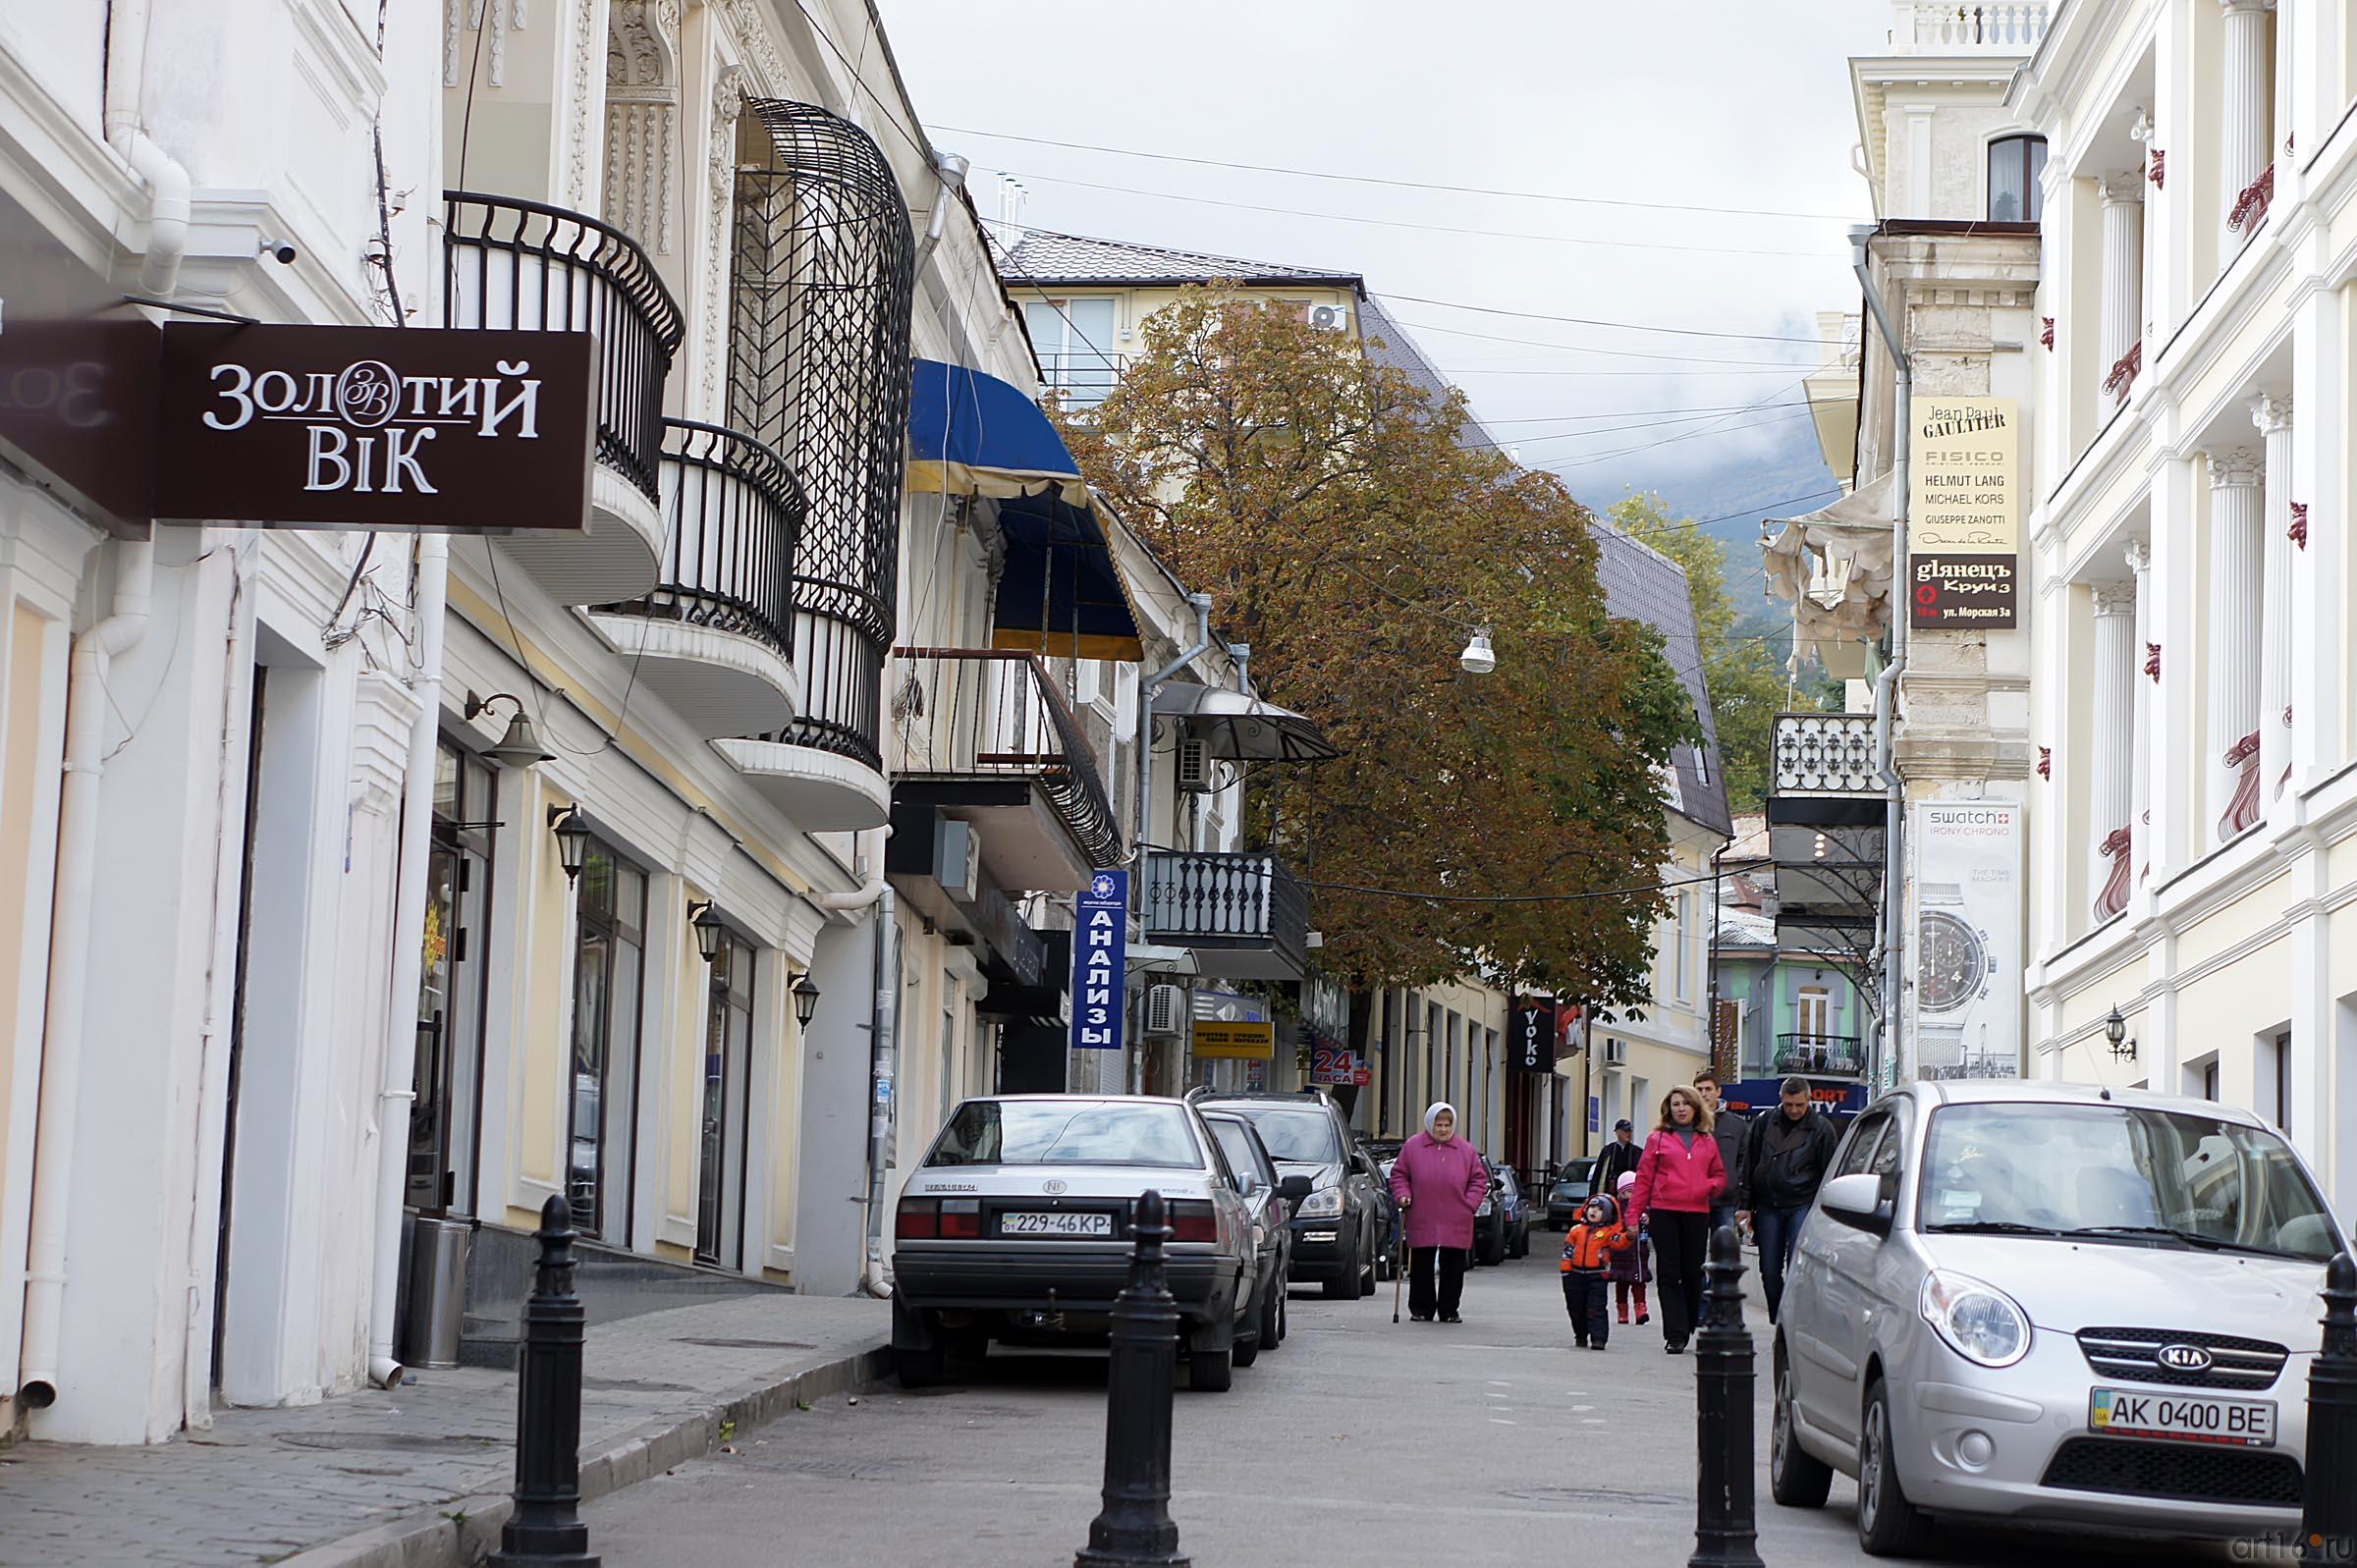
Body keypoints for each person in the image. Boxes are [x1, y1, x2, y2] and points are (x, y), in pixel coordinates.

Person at [1625, 1085, 1727, 1355]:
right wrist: (1632, 1215)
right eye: (1675, 1104)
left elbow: (1719, 1174)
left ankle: (1690, 1320)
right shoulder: (1657, 1139)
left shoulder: (1707, 1140)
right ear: (1668, 1109)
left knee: (1692, 1272)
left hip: (1697, 1212)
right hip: (1664, 1211)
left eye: (1685, 1104)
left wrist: (1710, 1187)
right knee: (1669, 1273)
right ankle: (1675, 1333)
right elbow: (1643, 1179)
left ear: (1695, 1108)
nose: (1680, 1108)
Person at [1737, 1078, 1841, 1324]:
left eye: (1799, 1105)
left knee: (1798, 1264)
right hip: (1767, 1204)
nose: (1793, 1110)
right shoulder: (1764, 1123)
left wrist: (1827, 1211)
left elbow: (1829, 1172)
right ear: (1781, 1100)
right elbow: (1750, 1164)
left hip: (1802, 1203)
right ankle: (1779, 1317)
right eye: (1788, 1104)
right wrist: (1744, 1206)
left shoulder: (1821, 1129)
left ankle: (1794, 1320)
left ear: (1809, 1101)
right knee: (1769, 1271)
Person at [1388, 1101, 1488, 1324]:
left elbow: (1478, 1180)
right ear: (1429, 1124)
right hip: (1422, 1213)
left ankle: (1449, 1310)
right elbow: (1399, 1175)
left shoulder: (1466, 1150)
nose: (1443, 1129)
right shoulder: (1413, 1147)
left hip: (1456, 1215)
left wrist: (1469, 1204)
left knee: (1453, 1264)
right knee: (1422, 1262)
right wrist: (1402, 1195)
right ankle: (1421, 1308)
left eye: (1447, 1125)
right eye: (1438, 1124)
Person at [1560, 1190, 1634, 1349]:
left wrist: (1628, 1236)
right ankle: (1580, 1334)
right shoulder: (1576, 1230)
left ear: (1607, 1214)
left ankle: (1598, 1337)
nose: (1594, 1211)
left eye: (1600, 1209)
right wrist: (1566, 1271)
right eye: (1592, 1207)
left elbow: (1618, 1242)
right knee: (1575, 1306)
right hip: (1575, 1274)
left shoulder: (1608, 1233)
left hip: (1598, 1276)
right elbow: (1567, 1251)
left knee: (1596, 1307)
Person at [1693, 1070, 1749, 1241]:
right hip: (1695, 1198)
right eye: (1699, 1089)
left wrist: (1735, 1182)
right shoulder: (1688, 1123)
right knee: (1695, 1254)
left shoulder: (1736, 1124)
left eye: (1708, 1089)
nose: (1704, 1094)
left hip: (1726, 1198)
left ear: (1718, 1091)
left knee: (1725, 1254)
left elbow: (1744, 1159)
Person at [1608, 1171, 1651, 1326]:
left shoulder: (1643, 1208)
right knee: (1622, 1283)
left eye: (1635, 1191)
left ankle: (1641, 1310)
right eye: (1629, 1192)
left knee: (1639, 1283)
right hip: (1622, 1254)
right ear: (1622, 1193)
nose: (1633, 1195)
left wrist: (1648, 1219)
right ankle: (1622, 1310)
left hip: (1639, 1254)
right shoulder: (1618, 1210)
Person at [1595, 1118, 1643, 1191]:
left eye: (1630, 1131)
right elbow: (1598, 1175)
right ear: (1617, 1132)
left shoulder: (1637, 1152)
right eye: (1626, 1131)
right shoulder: (1608, 1150)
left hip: (1630, 1192)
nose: (1629, 1134)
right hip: (1611, 1193)